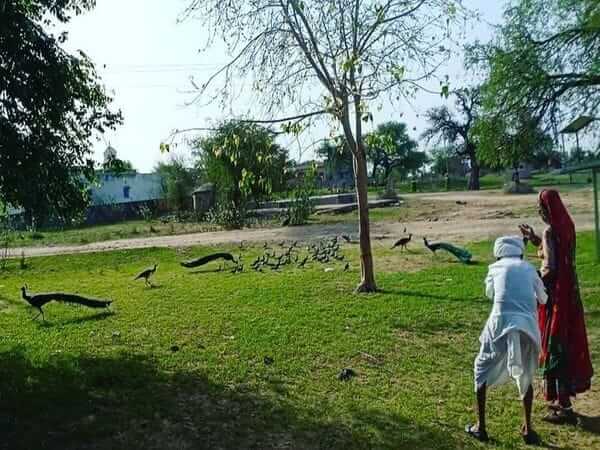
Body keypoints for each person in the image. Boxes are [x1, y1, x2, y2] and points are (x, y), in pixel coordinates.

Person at [520, 189, 593, 424]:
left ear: (546, 209)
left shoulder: (550, 230)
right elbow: (556, 253)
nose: (539, 211)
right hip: (570, 295)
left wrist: (532, 283)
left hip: (556, 298)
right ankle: (565, 401)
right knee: (568, 342)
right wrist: (535, 240)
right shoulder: (567, 227)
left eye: (540, 207)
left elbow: (550, 267)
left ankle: (564, 406)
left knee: (555, 346)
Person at [466, 236, 547, 444]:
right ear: (520, 252)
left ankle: (480, 426)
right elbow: (544, 299)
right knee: (527, 373)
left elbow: (490, 294)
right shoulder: (529, 268)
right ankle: (528, 429)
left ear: (498, 253)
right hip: (528, 328)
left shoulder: (494, 268)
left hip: (499, 325)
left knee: (480, 370)